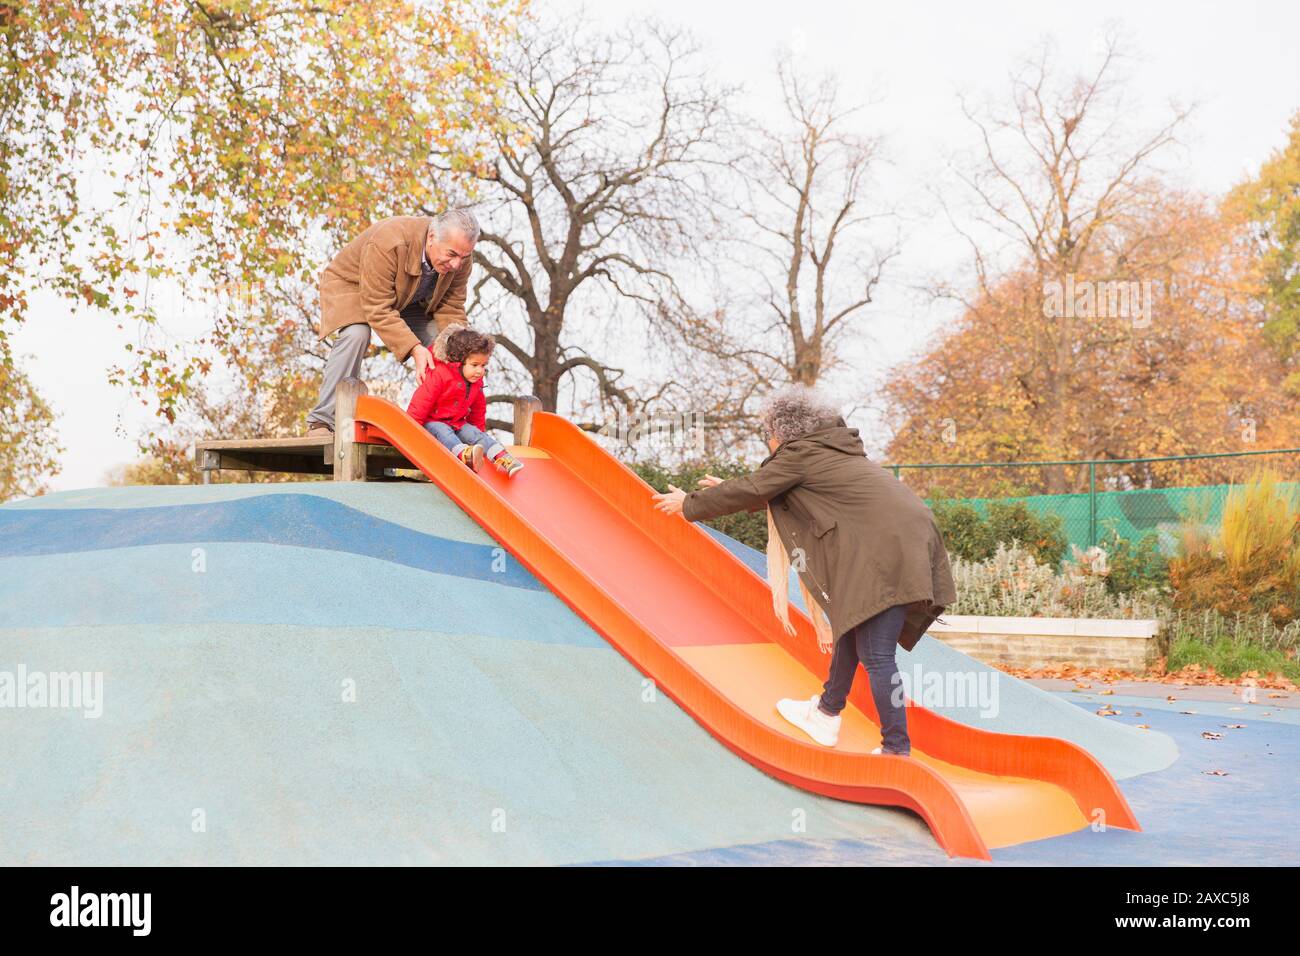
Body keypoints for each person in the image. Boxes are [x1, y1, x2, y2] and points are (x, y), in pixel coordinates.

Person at [650, 385, 956, 755]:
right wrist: (733, 489)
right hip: (910, 545)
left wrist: (690, 504)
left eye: (768, 436)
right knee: (853, 623)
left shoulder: (800, 454)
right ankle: (827, 713)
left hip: (882, 557)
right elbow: (771, 490)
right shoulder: (833, 452)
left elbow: (756, 487)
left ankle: (896, 749)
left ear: (778, 433)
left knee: (876, 655)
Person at [306, 208, 480, 438]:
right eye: (452, 255)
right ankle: (322, 421)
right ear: (431, 238)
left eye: (464, 257)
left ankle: (446, 420)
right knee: (356, 334)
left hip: (409, 297)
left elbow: (452, 307)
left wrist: (463, 347)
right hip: (355, 287)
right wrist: (414, 348)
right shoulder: (389, 242)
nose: (457, 264)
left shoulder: (460, 258)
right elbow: (377, 307)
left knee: (446, 342)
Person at [407, 323, 523, 477]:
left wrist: (477, 431)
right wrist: (409, 431)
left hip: (457, 422)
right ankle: (464, 455)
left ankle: (501, 457)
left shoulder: (476, 382)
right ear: (459, 361)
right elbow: (421, 403)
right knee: (444, 433)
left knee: (475, 434)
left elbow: (478, 409)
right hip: (432, 423)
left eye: (483, 365)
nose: (480, 371)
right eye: (475, 365)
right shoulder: (439, 374)